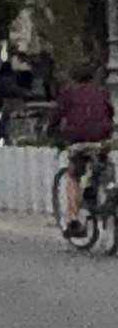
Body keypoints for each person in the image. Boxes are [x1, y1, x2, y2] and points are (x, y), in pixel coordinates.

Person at [52, 58, 114, 226]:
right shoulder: (101, 91)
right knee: (103, 162)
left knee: (74, 175)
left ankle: (73, 218)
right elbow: (109, 113)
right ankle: (101, 187)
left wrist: (52, 131)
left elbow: (56, 115)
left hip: (79, 138)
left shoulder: (68, 92)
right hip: (101, 138)